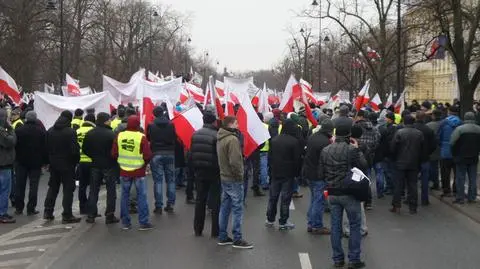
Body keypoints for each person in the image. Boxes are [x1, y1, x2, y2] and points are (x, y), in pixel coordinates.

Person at [318, 120, 368, 269]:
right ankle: (354, 259)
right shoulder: (351, 150)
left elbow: (320, 174)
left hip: (332, 193)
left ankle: (338, 259)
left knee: (335, 226)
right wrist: (357, 149)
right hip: (349, 192)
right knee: (354, 225)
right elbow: (364, 166)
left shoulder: (325, 150)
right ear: (349, 135)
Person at [216, 116, 252, 249]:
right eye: (236, 122)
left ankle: (223, 236)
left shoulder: (221, 137)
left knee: (225, 207)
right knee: (237, 208)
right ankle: (237, 238)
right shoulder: (232, 139)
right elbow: (235, 162)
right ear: (231, 124)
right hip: (233, 178)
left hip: (224, 177)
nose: (238, 124)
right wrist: (240, 176)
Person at [112, 115, 153, 230]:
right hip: (139, 171)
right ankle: (143, 222)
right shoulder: (141, 137)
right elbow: (148, 155)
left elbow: (114, 153)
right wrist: (144, 164)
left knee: (124, 196)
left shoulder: (120, 135)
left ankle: (125, 223)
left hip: (124, 170)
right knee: (142, 196)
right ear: (138, 124)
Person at [44, 110, 81, 223]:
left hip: (54, 164)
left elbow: (46, 148)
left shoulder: (50, 130)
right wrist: (75, 162)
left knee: (53, 188)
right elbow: (75, 151)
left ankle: (48, 211)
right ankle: (67, 214)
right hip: (68, 165)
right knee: (68, 190)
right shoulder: (70, 132)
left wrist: (48, 162)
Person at [83, 112, 119, 224]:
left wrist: (93, 157)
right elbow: (115, 151)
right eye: (109, 120)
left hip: (95, 165)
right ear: (105, 121)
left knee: (93, 190)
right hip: (109, 165)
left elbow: (85, 149)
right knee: (111, 190)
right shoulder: (111, 134)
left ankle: (91, 215)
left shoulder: (90, 133)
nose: (110, 121)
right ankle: (110, 215)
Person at [266, 119, 302, 230]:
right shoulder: (294, 141)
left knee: (273, 197)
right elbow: (297, 160)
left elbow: (270, 157)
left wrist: (270, 170)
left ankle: (270, 219)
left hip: (275, 172)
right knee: (285, 198)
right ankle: (283, 221)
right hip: (288, 173)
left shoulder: (274, 140)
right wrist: (297, 173)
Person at [191, 111, 221, 237]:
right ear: (214, 121)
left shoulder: (195, 134)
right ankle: (215, 230)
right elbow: (218, 154)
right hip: (214, 171)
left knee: (200, 200)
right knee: (215, 201)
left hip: (199, 171)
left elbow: (191, 153)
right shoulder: (216, 135)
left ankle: (198, 229)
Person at [303, 119, 333, 235]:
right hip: (319, 175)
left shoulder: (313, 136)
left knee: (314, 199)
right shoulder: (326, 142)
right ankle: (316, 225)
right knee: (319, 200)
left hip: (309, 172)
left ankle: (311, 223)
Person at [390, 114, 425, 214]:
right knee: (413, 185)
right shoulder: (419, 133)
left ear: (404, 122)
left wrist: (394, 158)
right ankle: (413, 207)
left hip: (400, 162)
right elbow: (423, 149)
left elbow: (393, 148)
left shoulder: (399, 132)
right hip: (414, 163)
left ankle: (396, 206)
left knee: (398, 185)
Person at [14, 111, 46, 216]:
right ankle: (31, 208)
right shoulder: (40, 131)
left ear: (26, 119)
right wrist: (45, 162)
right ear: (36, 119)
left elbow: (15, 146)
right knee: (34, 185)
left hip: (21, 162)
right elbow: (44, 148)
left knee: (20, 185)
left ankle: (19, 207)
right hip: (36, 163)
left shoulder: (18, 130)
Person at [147, 106, 177, 214]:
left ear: (154, 114)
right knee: (171, 180)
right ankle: (170, 204)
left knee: (158, 181)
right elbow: (174, 137)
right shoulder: (171, 124)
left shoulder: (151, 125)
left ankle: (158, 206)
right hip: (170, 153)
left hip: (156, 153)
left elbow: (149, 138)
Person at [450, 112, 480, 204]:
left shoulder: (459, 129)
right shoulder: (479, 129)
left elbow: (452, 142)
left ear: (465, 118)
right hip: (474, 157)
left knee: (460, 178)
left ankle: (460, 197)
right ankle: (472, 197)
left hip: (461, 157)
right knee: (473, 178)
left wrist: (454, 153)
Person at [438, 105, 462, 198]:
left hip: (445, 151)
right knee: (457, 172)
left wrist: (442, 145)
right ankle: (456, 190)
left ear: (449, 111)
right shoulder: (461, 123)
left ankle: (446, 190)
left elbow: (438, 137)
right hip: (457, 151)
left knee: (445, 172)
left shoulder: (443, 123)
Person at [413, 111, 437, 206]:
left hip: (413, 158)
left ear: (416, 118)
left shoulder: (412, 128)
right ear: (424, 118)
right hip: (425, 158)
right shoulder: (428, 130)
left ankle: (412, 199)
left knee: (412, 180)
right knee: (425, 180)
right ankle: (425, 199)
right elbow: (433, 145)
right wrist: (428, 152)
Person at [76, 114, 96, 214]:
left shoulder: (77, 131)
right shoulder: (93, 132)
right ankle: (91, 208)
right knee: (93, 186)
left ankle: (82, 207)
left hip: (80, 162)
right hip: (91, 162)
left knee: (82, 186)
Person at [0, 108, 16, 223]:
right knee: (4, 190)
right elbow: (11, 141)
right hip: (3, 164)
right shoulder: (2, 131)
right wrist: (10, 127)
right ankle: (2, 214)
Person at [426, 109, 443, 190]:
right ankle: (443, 184)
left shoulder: (429, 125)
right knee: (443, 168)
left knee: (433, 167)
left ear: (433, 116)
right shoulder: (444, 123)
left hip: (433, 149)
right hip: (443, 148)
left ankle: (434, 183)